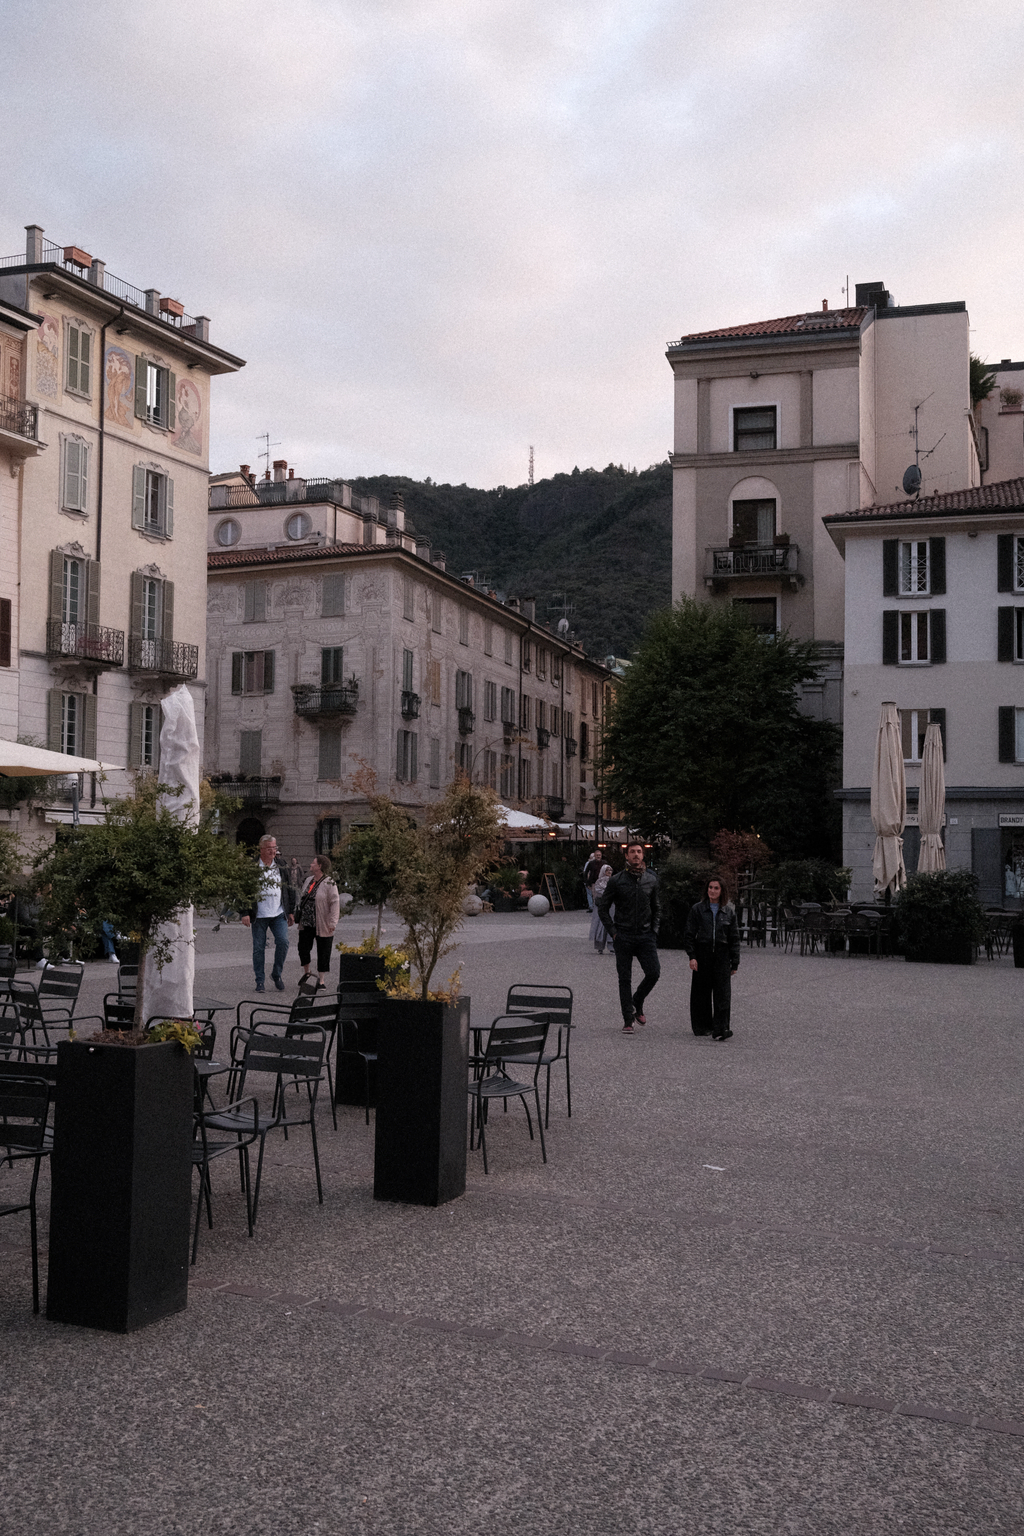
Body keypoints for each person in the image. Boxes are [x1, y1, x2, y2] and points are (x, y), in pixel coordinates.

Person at [597, 842, 661, 1035]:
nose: (635, 855)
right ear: (626, 856)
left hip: (645, 935)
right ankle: (627, 1018)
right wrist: (613, 931)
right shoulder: (617, 880)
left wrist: (654, 930)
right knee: (624, 979)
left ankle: (637, 1001)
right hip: (623, 935)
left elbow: (657, 907)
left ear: (643, 855)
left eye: (639, 852)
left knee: (654, 972)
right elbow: (602, 907)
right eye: (632, 852)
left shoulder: (651, 879)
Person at [683, 876, 741, 1041]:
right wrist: (692, 956)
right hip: (703, 953)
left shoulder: (728, 911)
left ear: (721, 891)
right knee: (701, 992)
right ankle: (702, 1026)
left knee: (723, 994)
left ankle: (721, 1028)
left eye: (716, 888)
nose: (713, 891)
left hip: (722, 955)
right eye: (710, 887)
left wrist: (735, 961)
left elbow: (734, 938)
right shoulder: (698, 909)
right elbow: (689, 934)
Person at [242, 834, 296, 992]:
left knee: (283, 942)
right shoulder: (252, 867)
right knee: (258, 948)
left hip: (278, 913)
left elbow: (289, 888)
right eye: (270, 848)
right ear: (261, 849)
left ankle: (276, 973)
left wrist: (291, 911)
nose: (274, 851)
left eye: (275, 848)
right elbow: (243, 891)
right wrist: (245, 912)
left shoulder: (281, 865)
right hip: (259, 915)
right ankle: (260, 980)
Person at [297, 854, 341, 989]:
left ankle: (321, 980)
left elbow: (335, 903)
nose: (310, 865)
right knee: (303, 948)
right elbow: (302, 897)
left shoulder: (329, 882)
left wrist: (333, 922)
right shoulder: (309, 880)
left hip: (322, 923)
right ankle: (307, 972)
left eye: (313, 863)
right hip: (306, 922)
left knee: (323, 951)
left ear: (320, 866)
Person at [588, 863, 613, 953]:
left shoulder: (613, 881)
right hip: (601, 906)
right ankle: (599, 946)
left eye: (610, 870)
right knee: (600, 925)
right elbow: (599, 891)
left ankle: (612, 946)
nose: (609, 872)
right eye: (607, 870)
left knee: (612, 924)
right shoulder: (599, 881)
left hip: (611, 906)